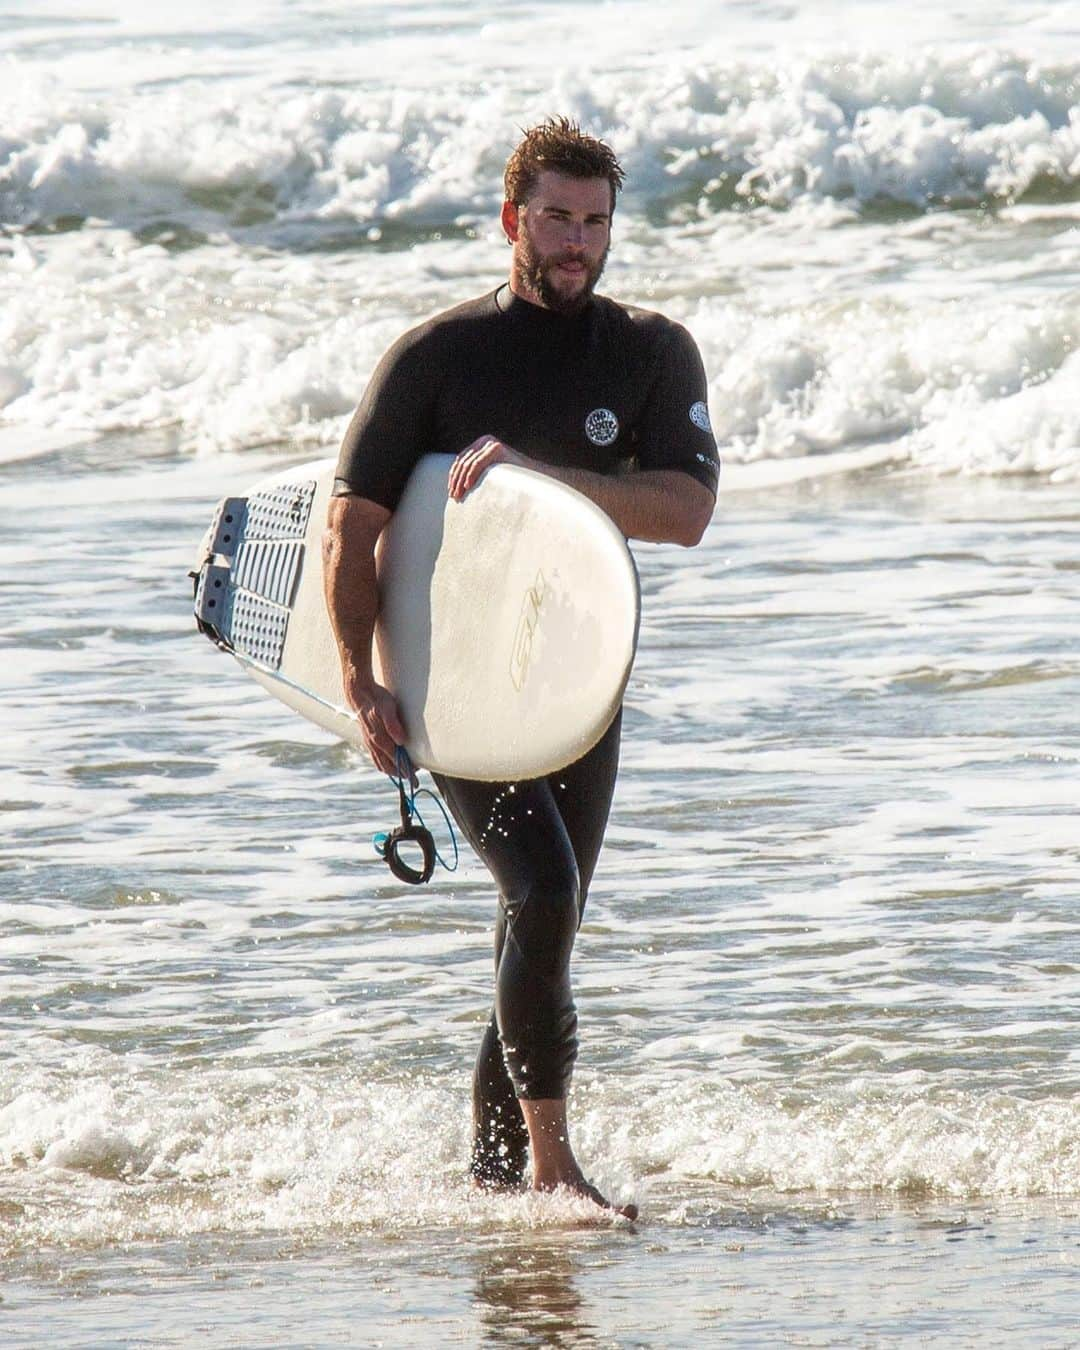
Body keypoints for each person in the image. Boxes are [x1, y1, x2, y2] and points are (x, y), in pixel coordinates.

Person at [323, 117, 719, 1218]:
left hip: (575, 679)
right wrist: (364, 683)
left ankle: (493, 1173)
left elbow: (685, 512)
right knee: (542, 891)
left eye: (595, 222)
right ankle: (553, 1172)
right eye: (555, 218)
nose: (577, 243)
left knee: (544, 914)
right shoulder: (437, 358)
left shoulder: (648, 350)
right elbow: (349, 531)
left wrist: (538, 479)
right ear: (513, 219)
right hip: (452, 676)